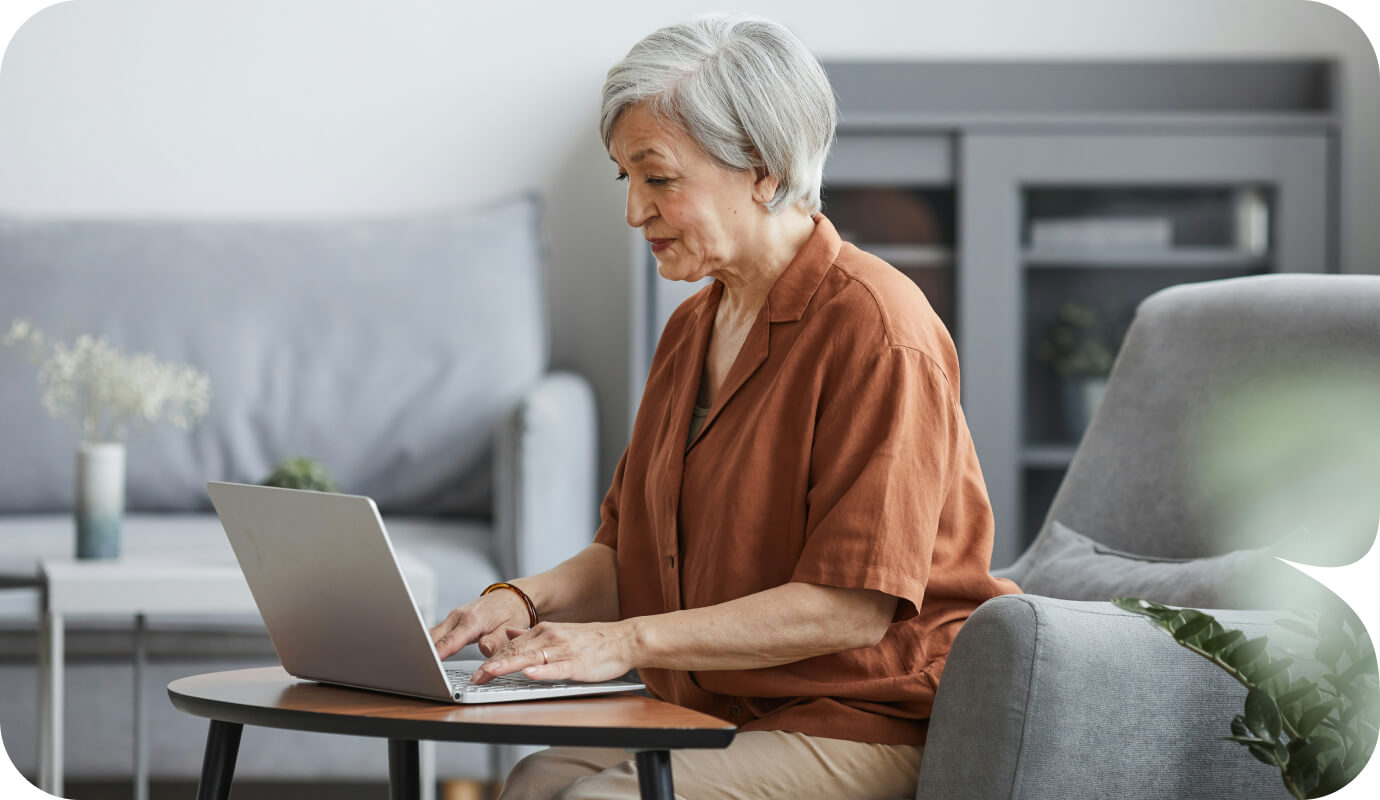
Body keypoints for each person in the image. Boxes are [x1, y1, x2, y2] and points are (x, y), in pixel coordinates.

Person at [429, 14, 1021, 799]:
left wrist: (624, 642)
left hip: (861, 719)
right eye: (626, 180)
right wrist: (517, 599)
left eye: (659, 178)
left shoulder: (878, 327)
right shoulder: (691, 329)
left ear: (764, 170)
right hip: (723, 709)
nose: (634, 213)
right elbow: (625, 556)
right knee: (535, 780)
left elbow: (850, 609)